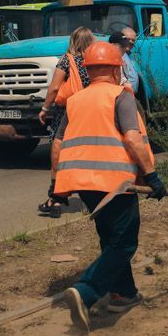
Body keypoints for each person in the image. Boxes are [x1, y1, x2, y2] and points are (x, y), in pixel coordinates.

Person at [52, 41, 167, 332]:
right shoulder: (120, 96)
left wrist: (56, 184)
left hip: (83, 183)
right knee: (125, 242)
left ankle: (123, 293)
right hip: (116, 183)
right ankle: (87, 291)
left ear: (88, 71)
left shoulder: (75, 100)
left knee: (111, 237)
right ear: (117, 70)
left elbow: (57, 143)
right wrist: (151, 176)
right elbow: (132, 138)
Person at [38, 26, 95, 216]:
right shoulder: (94, 61)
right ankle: (92, 198)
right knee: (84, 153)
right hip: (88, 111)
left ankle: (55, 198)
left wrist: (45, 109)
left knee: (59, 150)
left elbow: (54, 88)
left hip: (67, 111)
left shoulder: (66, 60)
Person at [108, 28, 140, 93]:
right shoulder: (117, 57)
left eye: (133, 40)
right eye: (128, 39)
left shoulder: (128, 55)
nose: (131, 42)